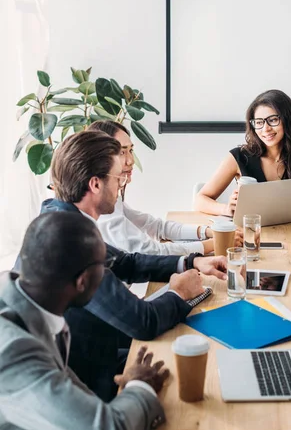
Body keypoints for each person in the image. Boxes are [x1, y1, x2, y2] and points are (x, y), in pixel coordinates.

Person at [31, 130, 227, 402]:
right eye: (118, 177)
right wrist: (179, 293)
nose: (122, 184)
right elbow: (142, 322)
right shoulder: (74, 241)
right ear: (95, 184)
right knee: (198, 367)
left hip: (88, 349)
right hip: (84, 382)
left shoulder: (57, 215)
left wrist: (191, 261)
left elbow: (125, 262)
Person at [0, 212, 169, 430]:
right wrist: (139, 386)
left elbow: (80, 403)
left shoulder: (28, 307)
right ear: (82, 281)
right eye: (105, 266)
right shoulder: (13, 350)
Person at [195, 89, 291, 217]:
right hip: (248, 235)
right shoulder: (238, 157)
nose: (265, 129)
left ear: (288, 120)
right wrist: (226, 209)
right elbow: (200, 200)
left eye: (273, 120)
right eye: (259, 122)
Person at [87, 120, 216, 255]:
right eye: (121, 152)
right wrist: (211, 244)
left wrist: (208, 231)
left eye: (130, 150)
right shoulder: (102, 210)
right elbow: (151, 251)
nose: (130, 160)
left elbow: (155, 226)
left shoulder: (112, 200)